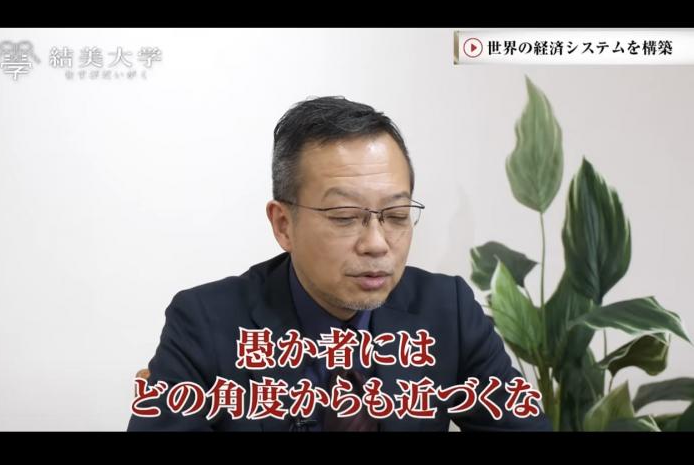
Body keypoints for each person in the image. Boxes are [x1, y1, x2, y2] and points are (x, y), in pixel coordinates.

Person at [126, 96, 553, 432]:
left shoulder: (448, 312)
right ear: (283, 225)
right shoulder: (205, 323)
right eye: (345, 217)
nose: (377, 244)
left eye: (397, 215)